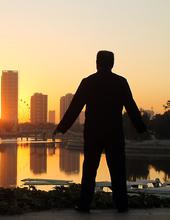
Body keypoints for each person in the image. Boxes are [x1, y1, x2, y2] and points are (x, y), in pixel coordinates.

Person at [53, 50, 147, 213]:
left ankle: (84, 205)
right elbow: (131, 107)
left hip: (93, 133)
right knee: (118, 170)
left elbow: (74, 107)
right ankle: (122, 205)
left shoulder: (88, 82)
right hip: (114, 133)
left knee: (89, 170)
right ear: (112, 63)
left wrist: (62, 128)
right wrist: (142, 129)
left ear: (97, 62)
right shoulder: (121, 82)